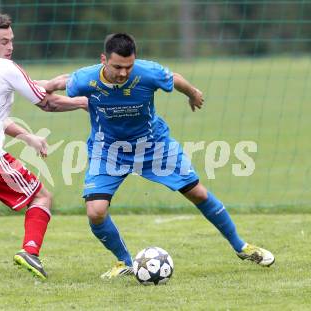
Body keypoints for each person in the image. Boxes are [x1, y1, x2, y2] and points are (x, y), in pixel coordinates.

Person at [65, 33, 275, 279]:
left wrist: (193, 93)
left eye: (128, 67)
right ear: (104, 60)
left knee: (198, 193)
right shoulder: (84, 79)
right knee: (95, 211)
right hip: (108, 151)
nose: (123, 73)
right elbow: (61, 84)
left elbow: (174, 79)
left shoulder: (148, 73)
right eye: (117, 67)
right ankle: (125, 262)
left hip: (153, 145)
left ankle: (241, 247)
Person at [0, 12, 87, 280]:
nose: (10, 47)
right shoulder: (6, 69)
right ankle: (30, 252)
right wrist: (83, 103)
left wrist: (27, 137)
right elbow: (48, 103)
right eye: (3, 41)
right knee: (41, 197)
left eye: (11, 41)